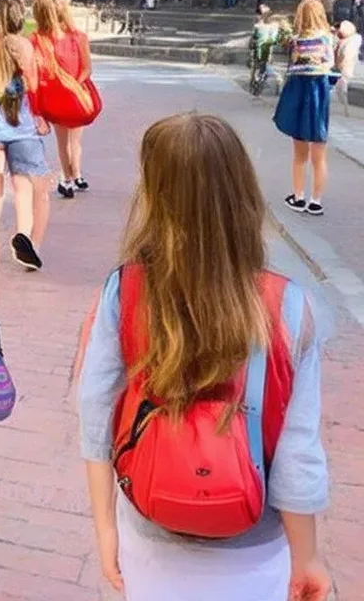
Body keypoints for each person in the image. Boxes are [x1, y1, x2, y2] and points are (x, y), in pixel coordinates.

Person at [77, 113, 329, 601]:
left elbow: (95, 415)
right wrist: (307, 557)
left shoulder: (124, 291)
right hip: (253, 542)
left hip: (151, 529)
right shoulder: (287, 305)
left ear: (152, 195)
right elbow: (299, 452)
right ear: (243, 193)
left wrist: (105, 527)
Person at [0, 0, 49, 271]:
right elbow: (33, 84)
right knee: (24, 186)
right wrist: (42, 116)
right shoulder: (25, 46)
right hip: (23, 123)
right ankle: (25, 236)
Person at [273, 0, 335, 216]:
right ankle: (316, 201)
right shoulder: (328, 39)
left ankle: (298, 197)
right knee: (319, 154)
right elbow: (330, 66)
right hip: (319, 97)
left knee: (300, 155)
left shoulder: (296, 41)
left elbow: (292, 66)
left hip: (298, 96)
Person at [32, 0, 94, 199]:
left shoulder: (42, 40)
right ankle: (73, 176)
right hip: (71, 94)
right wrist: (74, 86)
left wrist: (70, 87)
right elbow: (86, 68)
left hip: (66, 95)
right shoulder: (76, 37)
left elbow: (85, 68)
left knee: (66, 141)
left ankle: (70, 177)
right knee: (71, 140)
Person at [334, 20, 360, 117]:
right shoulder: (341, 40)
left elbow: (347, 56)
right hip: (339, 67)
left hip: (346, 68)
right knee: (340, 89)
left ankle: (346, 110)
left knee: (343, 87)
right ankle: (345, 109)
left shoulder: (353, 41)